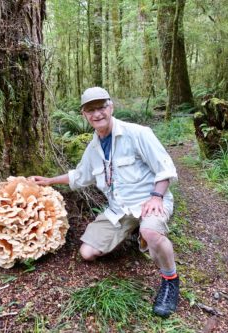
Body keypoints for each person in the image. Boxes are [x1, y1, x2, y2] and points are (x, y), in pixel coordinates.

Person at [32, 87, 179, 317]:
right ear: (84, 115)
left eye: (101, 107)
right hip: (119, 211)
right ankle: (135, 232)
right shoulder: (93, 148)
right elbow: (80, 176)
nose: (97, 113)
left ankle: (170, 280)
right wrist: (49, 180)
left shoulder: (138, 133)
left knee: (151, 232)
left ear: (111, 107)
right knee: (87, 252)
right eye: (91, 110)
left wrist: (157, 196)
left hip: (149, 202)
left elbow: (165, 168)